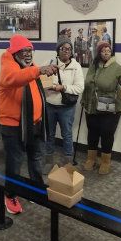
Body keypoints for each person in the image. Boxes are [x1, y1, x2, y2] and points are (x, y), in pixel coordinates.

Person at [0, 34, 57, 214]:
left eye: (30, 51)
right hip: (13, 126)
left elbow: (33, 85)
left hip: (34, 124)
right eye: (24, 51)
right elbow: (15, 78)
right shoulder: (9, 66)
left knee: (36, 158)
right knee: (14, 162)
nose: (28, 54)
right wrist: (39, 70)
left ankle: (35, 189)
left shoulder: (29, 67)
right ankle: (10, 195)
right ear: (15, 53)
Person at [81, 41, 121, 175]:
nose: (106, 53)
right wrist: (84, 100)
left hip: (110, 107)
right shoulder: (93, 65)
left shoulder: (116, 67)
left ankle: (105, 162)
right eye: (103, 51)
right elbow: (88, 84)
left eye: (108, 51)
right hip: (92, 106)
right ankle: (91, 159)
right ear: (99, 53)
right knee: (92, 133)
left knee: (107, 134)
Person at [44, 37, 84, 169]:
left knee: (67, 134)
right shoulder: (49, 63)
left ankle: (68, 163)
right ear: (58, 50)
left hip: (67, 108)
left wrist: (63, 87)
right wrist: (50, 86)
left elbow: (79, 88)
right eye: (63, 48)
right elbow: (42, 82)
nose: (66, 51)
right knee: (49, 134)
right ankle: (48, 161)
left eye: (69, 49)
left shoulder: (76, 67)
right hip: (50, 105)